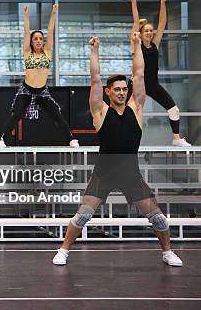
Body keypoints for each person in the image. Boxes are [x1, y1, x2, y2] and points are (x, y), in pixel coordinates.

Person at [52, 34, 182, 267]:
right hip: (105, 172)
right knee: (82, 215)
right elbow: (94, 79)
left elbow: (140, 74)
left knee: (159, 219)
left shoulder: (137, 108)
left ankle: (167, 252)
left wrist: (136, 46)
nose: (122, 92)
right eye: (117, 89)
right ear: (108, 92)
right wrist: (94, 50)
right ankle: (63, 250)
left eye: (124, 89)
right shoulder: (100, 112)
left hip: (131, 173)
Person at [0, 4, 78, 148]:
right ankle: (2, 139)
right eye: (36, 39)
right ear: (32, 42)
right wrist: (26, 16)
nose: (39, 41)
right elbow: (26, 32)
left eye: (41, 38)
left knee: (57, 114)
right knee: (17, 114)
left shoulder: (47, 52)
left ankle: (71, 139)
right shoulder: (28, 52)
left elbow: (51, 31)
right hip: (26, 90)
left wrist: (53, 13)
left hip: (42, 92)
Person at [130, 0, 191, 146]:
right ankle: (127, 141)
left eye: (151, 30)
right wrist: (133, 2)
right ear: (141, 33)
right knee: (131, 114)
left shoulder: (155, 44)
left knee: (173, 109)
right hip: (139, 86)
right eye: (147, 31)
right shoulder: (136, 45)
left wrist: (163, 3)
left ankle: (176, 139)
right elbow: (136, 22)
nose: (150, 33)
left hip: (153, 84)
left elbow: (163, 23)